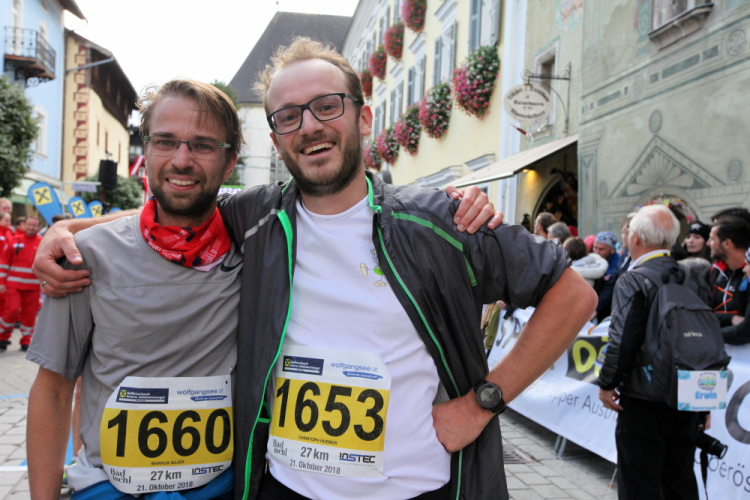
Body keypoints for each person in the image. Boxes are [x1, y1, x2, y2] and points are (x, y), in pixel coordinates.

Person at [28, 76, 500, 498]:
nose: (182, 159)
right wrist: (67, 228)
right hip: (111, 489)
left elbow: (192, 209)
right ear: (145, 150)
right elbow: (52, 392)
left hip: (224, 487)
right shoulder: (84, 257)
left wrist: (483, 401)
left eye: (203, 145)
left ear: (230, 161)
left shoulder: (251, 240)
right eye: (165, 142)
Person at [218, 37, 595, 500]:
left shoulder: (440, 220)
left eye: (327, 106)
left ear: (364, 118)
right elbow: (169, 214)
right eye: (288, 116)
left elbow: (573, 294)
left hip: (414, 490)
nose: (310, 126)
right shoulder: (254, 219)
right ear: (276, 141)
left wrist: (484, 402)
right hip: (286, 488)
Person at [597, 204, 705, 499]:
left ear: (636, 238)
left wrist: (607, 383)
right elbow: (702, 340)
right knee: (680, 480)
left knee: (639, 484)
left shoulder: (634, 278)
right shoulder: (692, 275)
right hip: (686, 394)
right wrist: (703, 405)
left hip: (644, 396)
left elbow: (622, 340)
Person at [0, 216, 41, 351]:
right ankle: (3, 337)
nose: (31, 227)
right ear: (24, 225)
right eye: (29, 224)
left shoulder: (42, 243)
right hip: (13, 285)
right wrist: (2, 282)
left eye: (34, 225)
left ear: (38, 227)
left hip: (33, 286)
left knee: (30, 315)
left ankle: (26, 341)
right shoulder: (14, 240)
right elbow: (4, 262)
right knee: (12, 310)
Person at [706, 217, 750, 327]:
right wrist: (731, 318)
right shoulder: (713, 271)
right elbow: (700, 313)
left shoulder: (748, 273)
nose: (708, 243)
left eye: (712, 239)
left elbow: (746, 327)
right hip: (716, 336)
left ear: (726, 243)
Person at [592, 230, 621, 322]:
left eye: (601, 249)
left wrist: (596, 309)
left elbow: (609, 290)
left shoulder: (618, 265)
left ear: (612, 250)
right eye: (595, 247)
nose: (597, 252)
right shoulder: (594, 260)